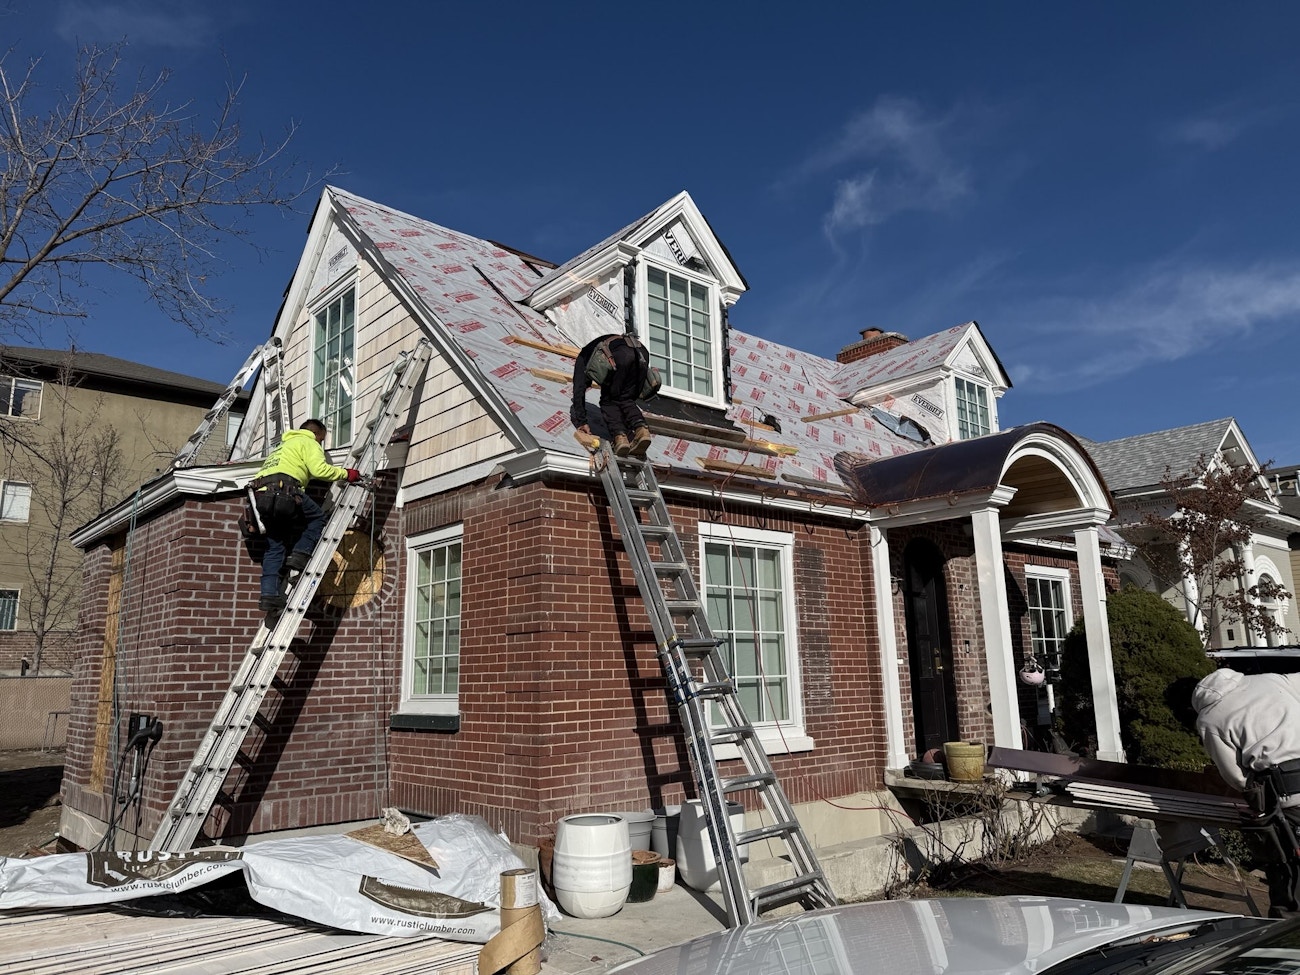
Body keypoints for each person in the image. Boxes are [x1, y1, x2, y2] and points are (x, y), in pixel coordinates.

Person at [1190, 667, 1300, 917]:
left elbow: (1234, 775)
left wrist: (1255, 792)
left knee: (1289, 870)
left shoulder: (1209, 718)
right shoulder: (1272, 680)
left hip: (1290, 797)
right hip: (1290, 787)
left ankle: (1286, 934)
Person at [251, 419, 359, 619]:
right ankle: (299, 556)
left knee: (275, 547)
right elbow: (320, 470)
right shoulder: (308, 442)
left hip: (262, 497)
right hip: (284, 492)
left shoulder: (282, 446)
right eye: (322, 439)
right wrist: (347, 473)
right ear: (316, 434)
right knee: (317, 518)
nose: (321, 444)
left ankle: (269, 595)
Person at [570, 333, 653, 457]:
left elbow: (578, 390)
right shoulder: (602, 343)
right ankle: (642, 430)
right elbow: (629, 397)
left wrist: (582, 422)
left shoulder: (583, 357)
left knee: (608, 401)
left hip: (621, 356)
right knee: (626, 398)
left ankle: (619, 438)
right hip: (642, 353)